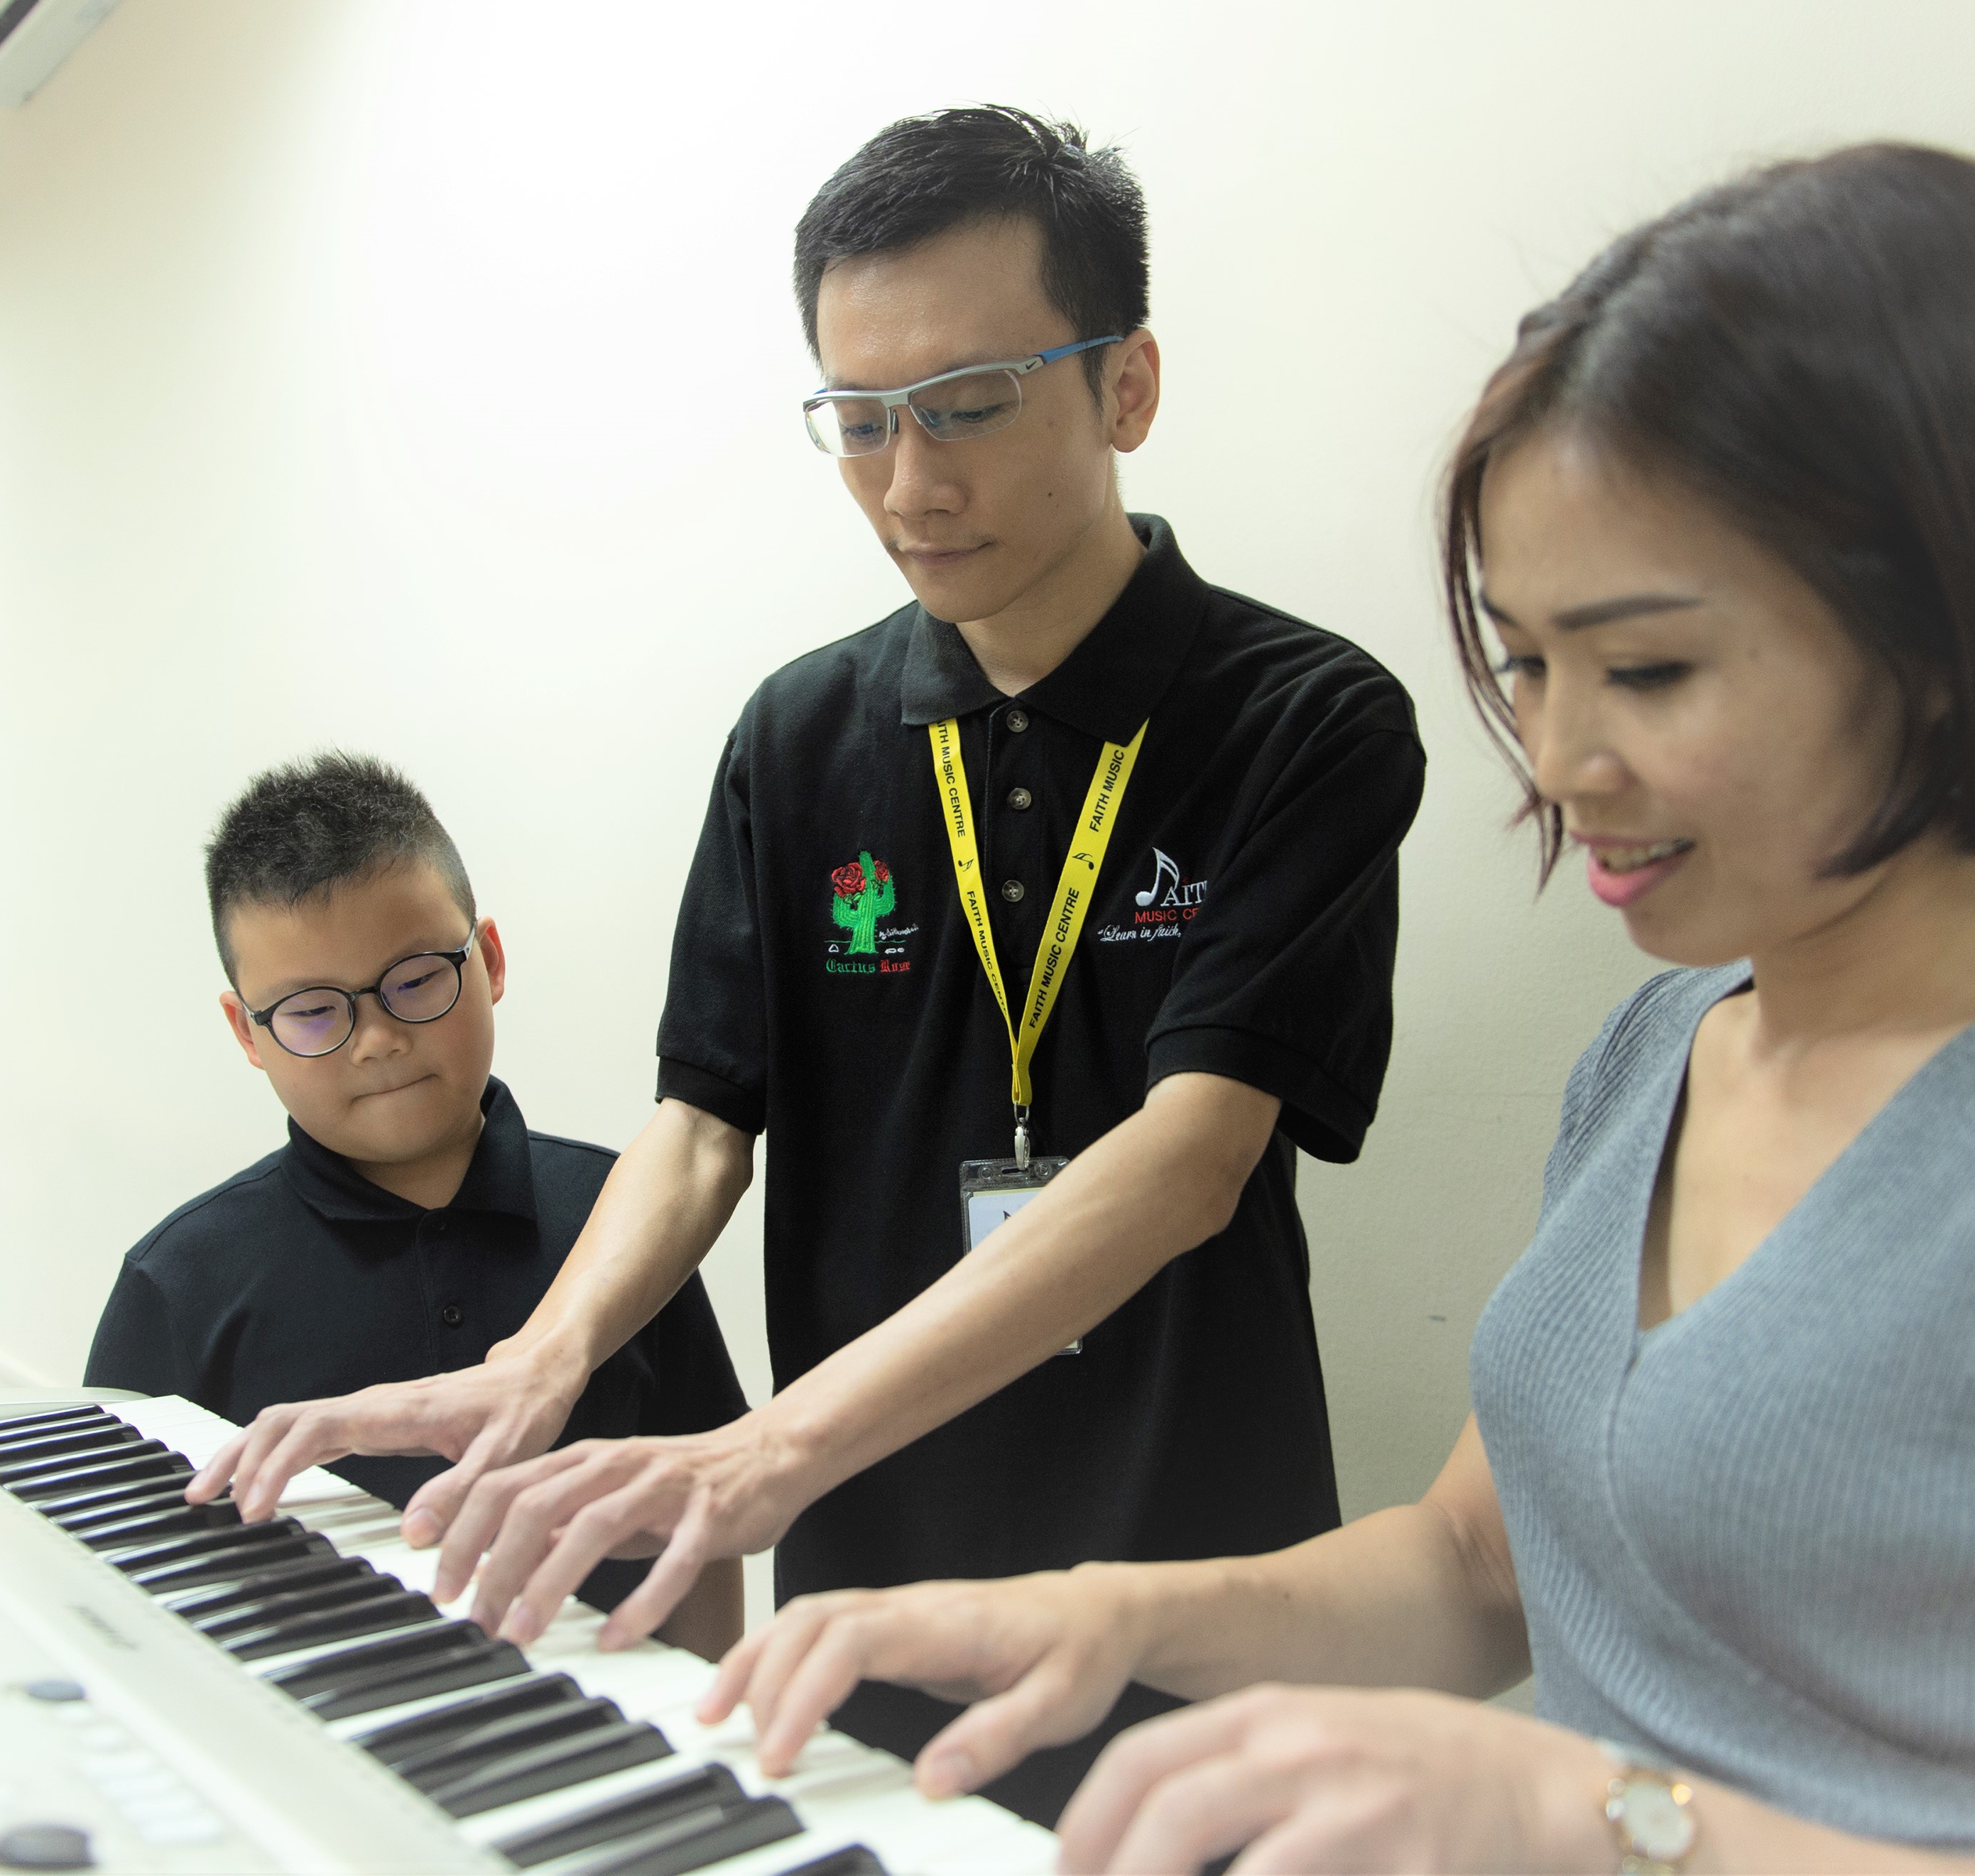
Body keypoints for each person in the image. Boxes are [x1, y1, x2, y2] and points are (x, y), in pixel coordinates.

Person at [690, 143, 1975, 1872]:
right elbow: (1477, 1567)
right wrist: (1109, 1618)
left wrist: (1588, 1813)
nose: (1555, 766)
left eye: (1645, 671)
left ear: (1947, 635)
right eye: (1526, 662)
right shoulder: (1661, 1049)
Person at [187, 109, 1425, 1821]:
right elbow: (704, 1121)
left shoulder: (1304, 718)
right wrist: (533, 1362)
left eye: (969, 406)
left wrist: (762, 1449)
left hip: (1181, 1559)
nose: (910, 484)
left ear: (1125, 386)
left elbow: (1188, 1159)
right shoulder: (800, 736)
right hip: (865, 1572)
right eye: (857, 422)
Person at [85, 751, 748, 1659]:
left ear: (491, 961)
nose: (380, 1041)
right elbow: (116, 1582)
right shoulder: (180, 1282)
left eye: (415, 979)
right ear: (248, 1032)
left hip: (613, 1739)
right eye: (314, 1012)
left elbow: (700, 1518)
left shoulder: (623, 1222)